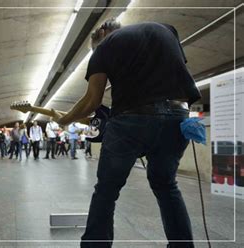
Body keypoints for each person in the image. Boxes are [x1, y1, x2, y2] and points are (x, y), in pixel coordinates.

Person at [54, 19, 200, 247]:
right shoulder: (167, 29)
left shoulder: (104, 46)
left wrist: (65, 119)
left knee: (107, 190)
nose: (95, 52)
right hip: (177, 117)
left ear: (102, 32)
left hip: (133, 120)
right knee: (166, 185)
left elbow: (92, 100)